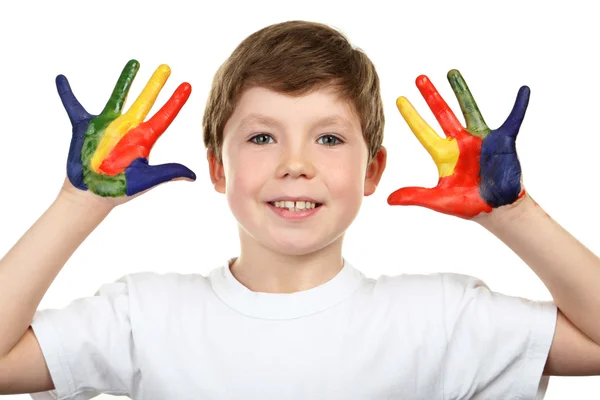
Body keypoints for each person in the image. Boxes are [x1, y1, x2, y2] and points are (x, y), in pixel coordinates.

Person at [1, 20, 599, 399]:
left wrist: (511, 212)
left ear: (372, 171)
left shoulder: (440, 317)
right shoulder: (141, 316)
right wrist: (78, 203)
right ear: (217, 168)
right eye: (262, 138)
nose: (296, 163)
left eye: (329, 139)